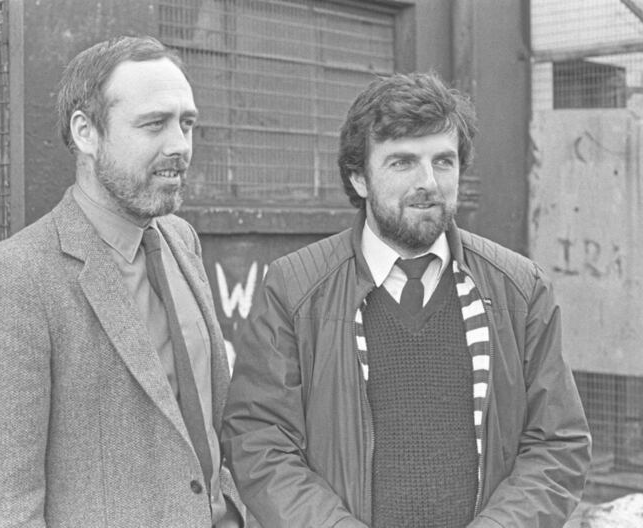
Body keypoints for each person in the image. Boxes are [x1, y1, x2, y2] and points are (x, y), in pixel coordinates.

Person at [220, 72, 591, 528]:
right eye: (402, 163)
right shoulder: (295, 288)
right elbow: (259, 439)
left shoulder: (519, 288)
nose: (428, 183)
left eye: (443, 161)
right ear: (358, 178)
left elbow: (558, 442)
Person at [0, 36, 243, 527]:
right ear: (86, 132)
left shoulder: (180, 239)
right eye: (154, 124)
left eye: (186, 123)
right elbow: (1, 508)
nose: (180, 146)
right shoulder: (11, 279)